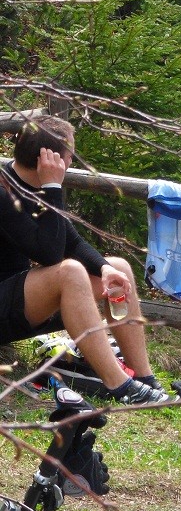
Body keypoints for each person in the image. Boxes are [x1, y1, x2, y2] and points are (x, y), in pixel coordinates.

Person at [0, 116, 170, 404]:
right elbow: (50, 254)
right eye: (70, 154)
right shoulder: (4, 192)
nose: (70, 161)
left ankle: (144, 378)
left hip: (16, 303)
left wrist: (104, 269)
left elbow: (72, 242)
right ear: (51, 159)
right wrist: (53, 188)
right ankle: (120, 386)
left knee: (118, 268)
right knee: (69, 272)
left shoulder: (34, 187)